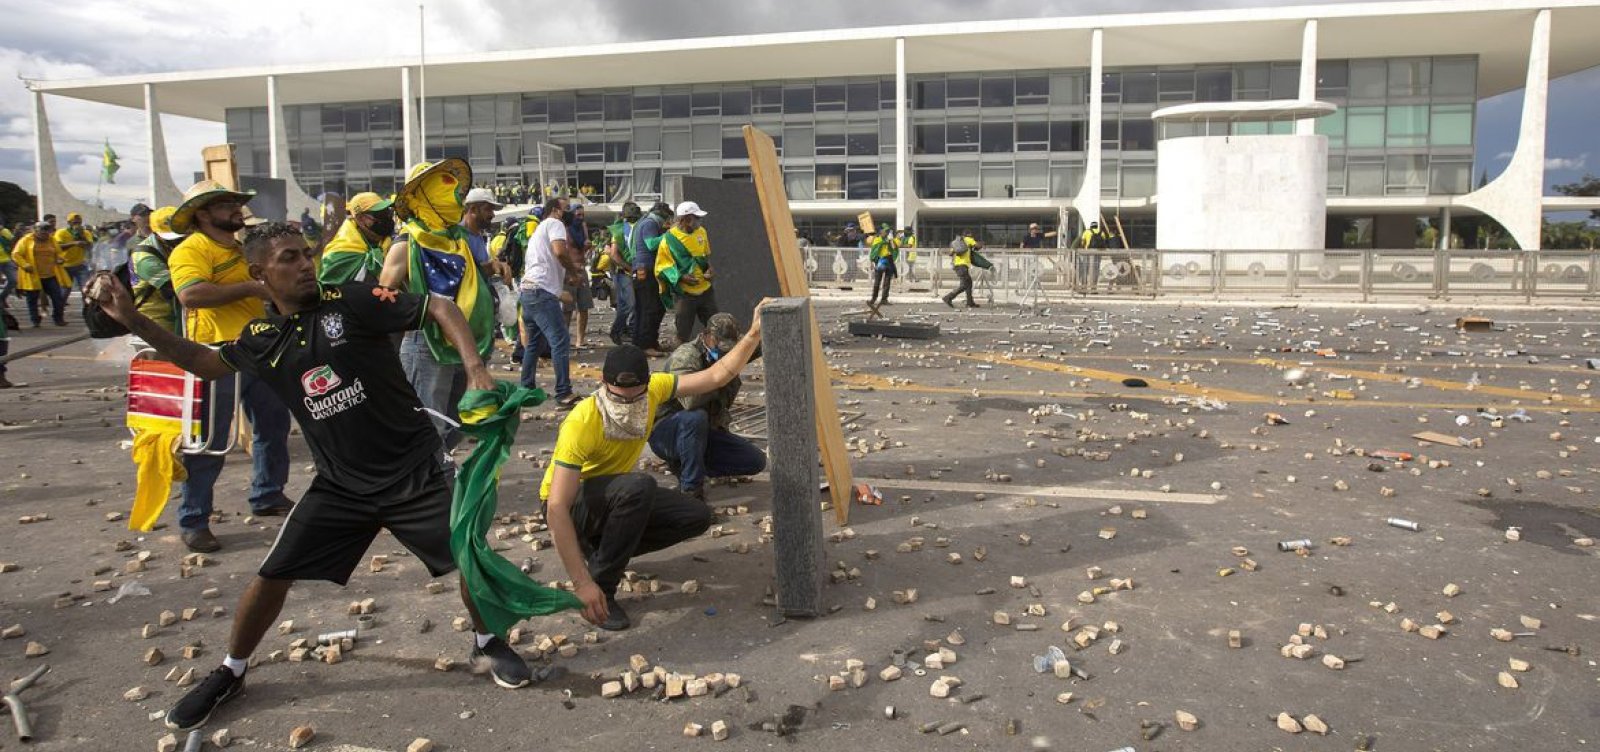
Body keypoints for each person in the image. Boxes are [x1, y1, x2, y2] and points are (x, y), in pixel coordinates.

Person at [88, 223, 557, 731]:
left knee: (470, 557)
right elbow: (202, 361)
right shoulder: (262, 339)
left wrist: (476, 369)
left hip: (414, 472)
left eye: (306, 254)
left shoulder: (353, 300)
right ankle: (232, 670)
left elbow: (440, 308)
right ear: (259, 273)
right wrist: (132, 317)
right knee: (271, 577)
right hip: (341, 487)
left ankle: (487, 642)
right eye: (289, 258)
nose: (305, 264)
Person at [543, 327, 765, 631]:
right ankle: (602, 588)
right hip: (571, 506)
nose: (628, 406)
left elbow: (716, 376)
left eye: (636, 398)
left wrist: (753, 333)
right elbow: (556, 506)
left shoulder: (657, 389)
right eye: (619, 398)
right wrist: (581, 583)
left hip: (612, 496)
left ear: (648, 386)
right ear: (603, 384)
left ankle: (603, 552)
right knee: (638, 486)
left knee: (696, 515)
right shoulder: (582, 422)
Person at [168, 180, 294, 552]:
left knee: (273, 424)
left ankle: (268, 493)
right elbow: (190, 293)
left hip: (257, 347)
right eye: (226, 205)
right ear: (203, 214)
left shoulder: (240, 249)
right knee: (209, 439)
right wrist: (252, 290)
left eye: (236, 203)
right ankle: (194, 517)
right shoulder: (192, 249)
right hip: (214, 354)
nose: (236, 210)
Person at [380, 161, 501, 455]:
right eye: (447, 189)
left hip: (463, 342)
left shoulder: (456, 240)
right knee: (428, 422)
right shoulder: (407, 243)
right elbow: (383, 299)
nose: (457, 197)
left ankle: (434, 467)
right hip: (426, 343)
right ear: (428, 196)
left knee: (460, 418)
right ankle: (427, 480)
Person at [648, 313, 766, 501]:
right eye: (722, 347)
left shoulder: (726, 352)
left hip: (703, 433)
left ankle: (691, 464)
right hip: (669, 430)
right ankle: (690, 492)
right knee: (696, 417)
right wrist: (719, 375)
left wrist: (763, 324)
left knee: (755, 461)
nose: (726, 354)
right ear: (707, 336)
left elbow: (755, 346)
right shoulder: (686, 356)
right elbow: (690, 401)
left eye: (731, 349)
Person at [517, 196, 585, 408]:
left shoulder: (539, 230)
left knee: (534, 344)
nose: (571, 213)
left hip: (528, 291)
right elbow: (559, 252)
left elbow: (547, 263)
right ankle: (563, 393)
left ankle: (526, 389)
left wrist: (567, 276)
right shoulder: (555, 223)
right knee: (560, 340)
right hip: (540, 292)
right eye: (567, 209)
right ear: (556, 210)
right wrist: (573, 273)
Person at [655, 201, 717, 346]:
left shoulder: (702, 232)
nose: (699, 221)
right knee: (682, 332)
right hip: (685, 294)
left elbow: (704, 256)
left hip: (705, 290)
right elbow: (662, 267)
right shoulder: (669, 239)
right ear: (685, 220)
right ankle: (680, 362)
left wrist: (710, 269)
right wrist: (682, 277)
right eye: (696, 218)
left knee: (716, 327)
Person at [128, 206, 186, 333]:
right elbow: (177, 288)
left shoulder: (173, 246)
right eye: (171, 238)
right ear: (155, 233)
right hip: (156, 321)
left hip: (177, 316)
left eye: (180, 236)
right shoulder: (144, 258)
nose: (177, 241)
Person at [318, 192, 395, 285]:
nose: (386, 218)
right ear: (360, 218)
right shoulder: (340, 252)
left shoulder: (388, 240)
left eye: (387, 212)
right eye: (380, 214)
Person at [629, 202, 672, 354]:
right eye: (667, 218)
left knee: (645, 308)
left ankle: (643, 343)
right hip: (646, 269)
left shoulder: (645, 222)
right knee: (651, 308)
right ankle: (646, 345)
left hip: (642, 269)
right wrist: (668, 234)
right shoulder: (650, 223)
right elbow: (651, 244)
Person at [12, 223, 70, 327]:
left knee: (58, 298)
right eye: (42, 230)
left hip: (50, 275)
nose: (44, 233)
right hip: (33, 275)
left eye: (47, 230)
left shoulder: (51, 240)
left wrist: (60, 259)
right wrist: (25, 265)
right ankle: (35, 320)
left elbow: (59, 252)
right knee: (32, 299)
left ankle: (58, 318)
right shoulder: (26, 240)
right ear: (35, 230)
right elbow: (16, 254)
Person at [605, 202, 641, 346]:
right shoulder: (619, 230)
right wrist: (628, 267)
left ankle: (628, 331)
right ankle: (617, 331)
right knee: (628, 305)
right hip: (623, 272)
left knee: (630, 305)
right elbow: (613, 254)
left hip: (630, 271)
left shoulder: (634, 228)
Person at [562, 205, 594, 348]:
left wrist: (586, 241)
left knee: (584, 306)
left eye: (582, 215)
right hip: (569, 271)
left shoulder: (582, 229)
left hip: (582, 269)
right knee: (567, 309)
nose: (580, 218)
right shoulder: (566, 229)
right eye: (578, 215)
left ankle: (580, 340)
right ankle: (564, 339)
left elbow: (585, 244)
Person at [53, 212, 95, 293]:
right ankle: (60, 305)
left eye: (79, 222)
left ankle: (86, 305)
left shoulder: (86, 232)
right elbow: (58, 247)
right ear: (69, 223)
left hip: (80, 264)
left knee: (86, 288)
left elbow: (89, 246)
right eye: (75, 223)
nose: (77, 224)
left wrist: (82, 236)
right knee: (65, 289)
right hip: (65, 265)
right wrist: (73, 243)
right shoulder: (61, 232)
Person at [941, 229, 981, 309]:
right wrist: (979, 244)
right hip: (962, 266)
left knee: (969, 283)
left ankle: (970, 302)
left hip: (957, 265)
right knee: (964, 285)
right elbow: (978, 246)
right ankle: (948, 297)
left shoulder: (958, 242)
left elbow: (951, 253)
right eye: (971, 234)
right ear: (968, 234)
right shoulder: (969, 239)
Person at [867, 228, 899, 307]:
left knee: (887, 282)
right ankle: (873, 298)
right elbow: (873, 251)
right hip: (880, 261)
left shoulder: (890, 240)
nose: (887, 234)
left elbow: (894, 248)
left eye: (888, 232)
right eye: (885, 232)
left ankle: (884, 299)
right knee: (877, 281)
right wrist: (871, 261)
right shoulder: (877, 240)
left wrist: (891, 240)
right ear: (881, 233)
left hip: (889, 261)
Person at [0, 214, 17, 311]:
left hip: (6, 259)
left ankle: (2, 297)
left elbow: (13, 241)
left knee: (13, 280)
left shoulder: (5, 231)